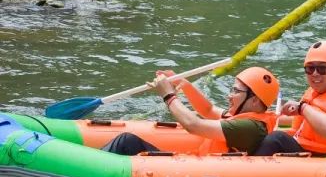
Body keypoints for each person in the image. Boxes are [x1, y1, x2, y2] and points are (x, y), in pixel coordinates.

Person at [103, 67, 279, 156]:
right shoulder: (243, 117)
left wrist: (168, 95)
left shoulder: (250, 127)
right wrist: (183, 83)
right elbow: (208, 109)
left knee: (126, 142)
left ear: (254, 100)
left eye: (236, 91)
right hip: (197, 164)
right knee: (127, 142)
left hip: (194, 175)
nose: (229, 95)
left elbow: (193, 125)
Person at [257, 40, 326, 156]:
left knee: (277, 139)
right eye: (310, 69)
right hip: (309, 150)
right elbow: (296, 124)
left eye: (322, 69)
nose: (315, 73)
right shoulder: (314, 94)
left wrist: (302, 108)